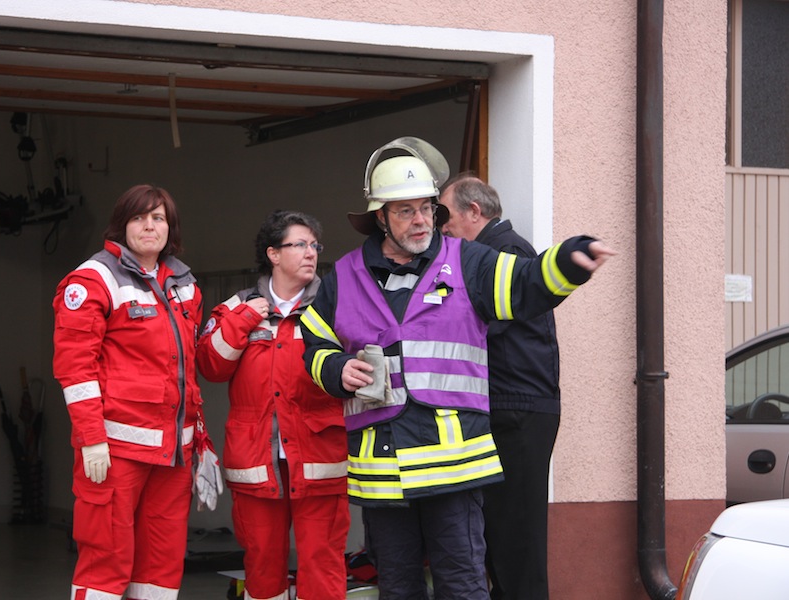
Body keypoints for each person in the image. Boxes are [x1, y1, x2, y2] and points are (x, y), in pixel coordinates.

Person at [300, 137, 615, 600]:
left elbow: (525, 283)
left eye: (426, 208)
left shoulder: (467, 262)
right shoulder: (343, 278)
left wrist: (568, 261)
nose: (421, 220)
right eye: (405, 211)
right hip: (382, 473)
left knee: (462, 586)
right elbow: (314, 342)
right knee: (398, 589)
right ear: (381, 218)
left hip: (454, 470)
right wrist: (335, 368)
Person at [53, 184, 217, 600]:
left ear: (170, 227)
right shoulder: (93, 279)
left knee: (161, 567)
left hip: (174, 453)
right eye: (139, 217)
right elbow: (76, 368)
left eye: (158, 218)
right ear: (121, 225)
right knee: (105, 563)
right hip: (115, 452)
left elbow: (187, 371)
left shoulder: (184, 284)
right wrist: (92, 439)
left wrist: (199, 441)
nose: (149, 226)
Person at [197, 210, 350, 600]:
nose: (311, 253)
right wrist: (244, 319)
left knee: (322, 564)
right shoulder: (237, 306)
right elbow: (210, 367)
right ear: (273, 254)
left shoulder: (337, 305)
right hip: (256, 461)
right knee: (263, 565)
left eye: (315, 245)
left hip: (319, 457)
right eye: (300, 244)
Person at [439, 174, 560, 600]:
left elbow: (479, 325)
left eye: (446, 216)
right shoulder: (495, 252)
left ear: (474, 211)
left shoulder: (504, 253)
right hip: (510, 408)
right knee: (500, 540)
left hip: (518, 411)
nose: (442, 227)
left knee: (517, 544)